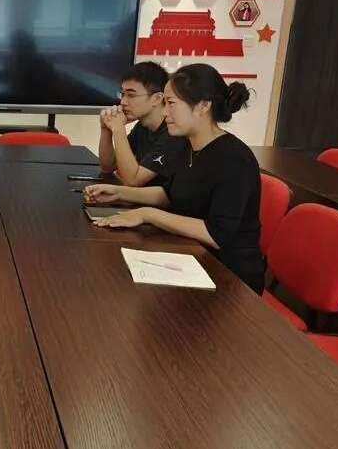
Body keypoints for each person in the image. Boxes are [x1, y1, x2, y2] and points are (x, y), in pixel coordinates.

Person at [85, 64, 264, 293]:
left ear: (203, 106)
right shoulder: (188, 146)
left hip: (230, 277)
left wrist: (148, 214)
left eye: (171, 103)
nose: (165, 112)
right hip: (191, 258)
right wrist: (119, 193)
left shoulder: (234, 159)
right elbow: (171, 194)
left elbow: (218, 234)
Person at [98, 62, 186, 187]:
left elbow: (133, 180)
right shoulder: (142, 126)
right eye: (122, 94)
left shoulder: (173, 133)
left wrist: (118, 129)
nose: (123, 102)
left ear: (157, 98)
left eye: (131, 95)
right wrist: (106, 129)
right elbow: (108, 167)